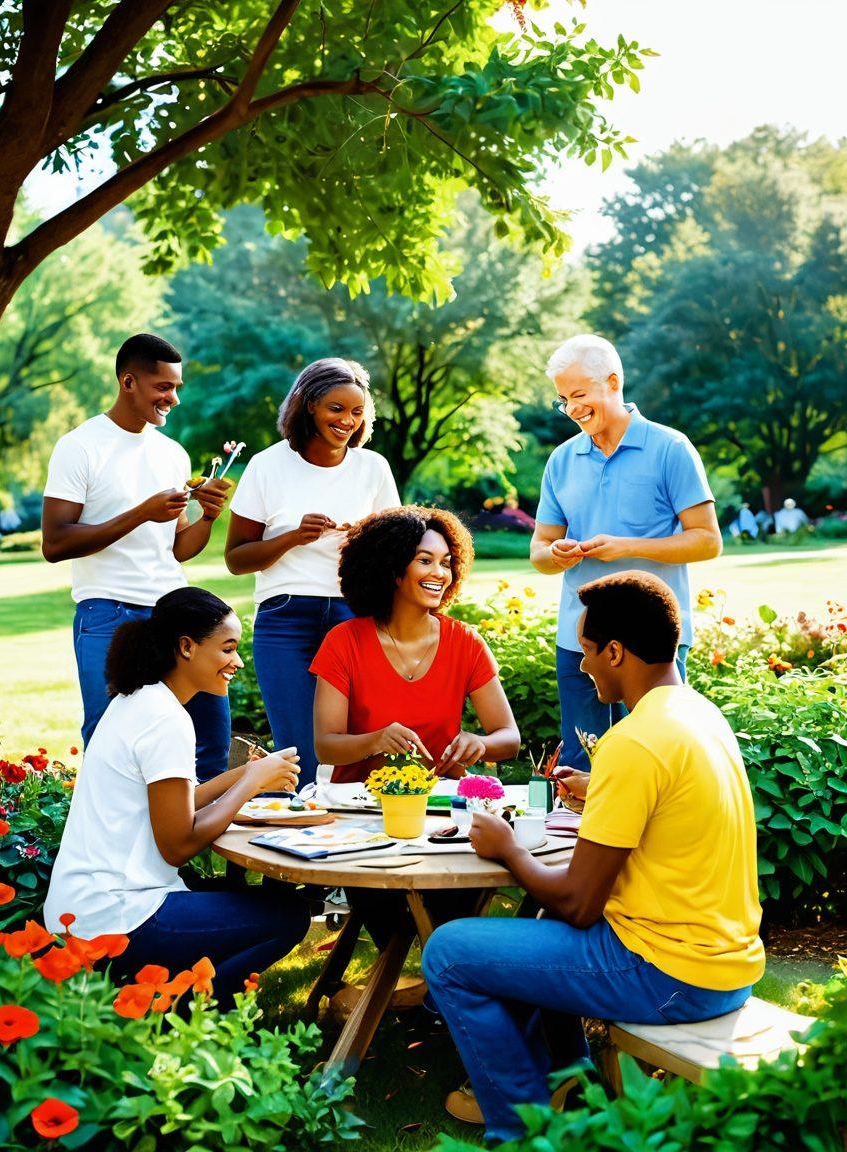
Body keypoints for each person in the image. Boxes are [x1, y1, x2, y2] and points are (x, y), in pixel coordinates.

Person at [422, 571, 765, 1144]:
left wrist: (506, 848)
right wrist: (599, 786)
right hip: (728, 963)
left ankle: (523, 1132)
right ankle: (568, 1080)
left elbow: (581, 904)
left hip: (669, 973)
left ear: (615, 651)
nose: (582, 666)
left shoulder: (634, 742)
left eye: (586, 651)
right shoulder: (696, 714)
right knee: (539, 922)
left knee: (450, 952)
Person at [44, 587, 309, 1010]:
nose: (237, 661)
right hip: (117, 917)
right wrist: (249, 785)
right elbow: (177, 845)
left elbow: (174, 804)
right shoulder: (165, 719)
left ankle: (171, 1005)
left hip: (81, 907)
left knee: (260, 901)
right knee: (288, 915)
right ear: (186, 647)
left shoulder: (138, 700)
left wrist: (244, 774)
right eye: (227, 648)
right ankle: (185, 1015)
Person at [42, 333, 232, 780]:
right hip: (108, 613)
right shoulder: (80, 446)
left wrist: (206, 517)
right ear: (129, 381)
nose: (174, 399)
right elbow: (55, 543)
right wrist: (141, 513)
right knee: (113, 740)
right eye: (163, 387)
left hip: (173, 613)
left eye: (177, 387)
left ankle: (193, 842)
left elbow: (178, 548)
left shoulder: (171, 452)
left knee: (208, 735)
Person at [530, 334, 721, 770]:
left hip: (650, 639)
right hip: (578, 639)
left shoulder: (671, 448)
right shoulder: (561, 460)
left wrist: (625, 548)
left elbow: (707, 540)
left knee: (656, 759)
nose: (571, 409)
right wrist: (554, 553)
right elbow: (538, 551)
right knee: (580, 762)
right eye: (563, 399)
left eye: (579, 395)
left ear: (613, 382)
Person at [225, 358, 400, 789]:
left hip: (353, 615)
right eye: (335, 409)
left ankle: (357, 847)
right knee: (298, 749)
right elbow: (236, 557)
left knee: (359, 744)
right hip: (285, 617)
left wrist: (364, 538)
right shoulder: (268, 465)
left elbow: (399, 548)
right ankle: (304, 846)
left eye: (357, 411)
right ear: (308, 406)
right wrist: (291, 537)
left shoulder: (372, 467)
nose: (347, 420)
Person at [311, 505, 520, 783]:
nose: (440, 573)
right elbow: (326, 747)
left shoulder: (465, 642)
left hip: (438, 800)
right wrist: (377, 740)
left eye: (445, 563)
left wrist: (479, 743)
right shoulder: (344, 641)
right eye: (425, 561)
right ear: (392, 568)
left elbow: (509, 737)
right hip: (357, 804)